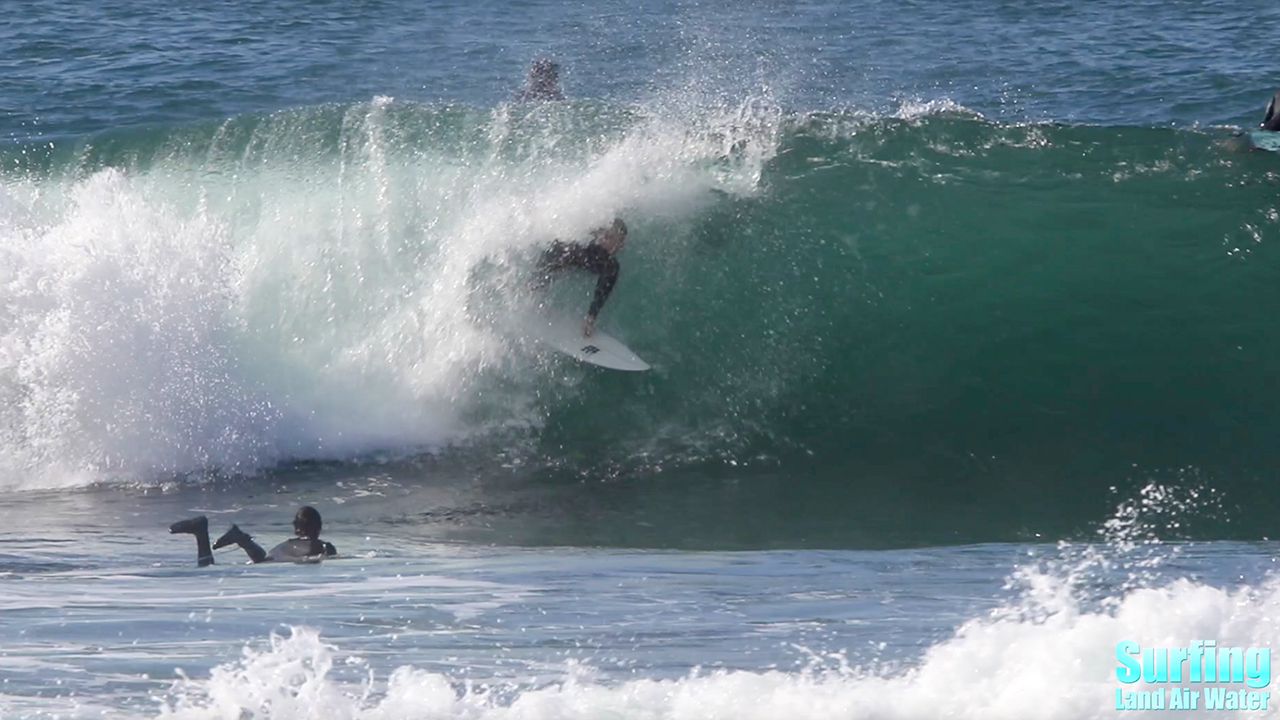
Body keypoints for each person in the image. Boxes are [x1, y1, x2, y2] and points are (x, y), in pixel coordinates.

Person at [533, 218, 628, 337]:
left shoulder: (609, 264)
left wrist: (590, 318)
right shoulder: (586, 242)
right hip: (554, 253)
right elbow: (555, 253)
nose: (621, 246)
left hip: (567, 260)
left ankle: (535, 296)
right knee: (539, 281)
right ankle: (528, 293)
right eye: (619, 241)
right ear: (606, 236)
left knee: (611, 269)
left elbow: (603, 290)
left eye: (622, 242)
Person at [169, 506, 337, 566]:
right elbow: (317, 549)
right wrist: (327, 551)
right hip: (271, 561)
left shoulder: (291, 543)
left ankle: (241, 538)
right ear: (319, 526)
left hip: (270, 558)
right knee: (206, 567)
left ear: (295, 526)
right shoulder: (317, 544)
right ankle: (201, 533)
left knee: (262, 560)